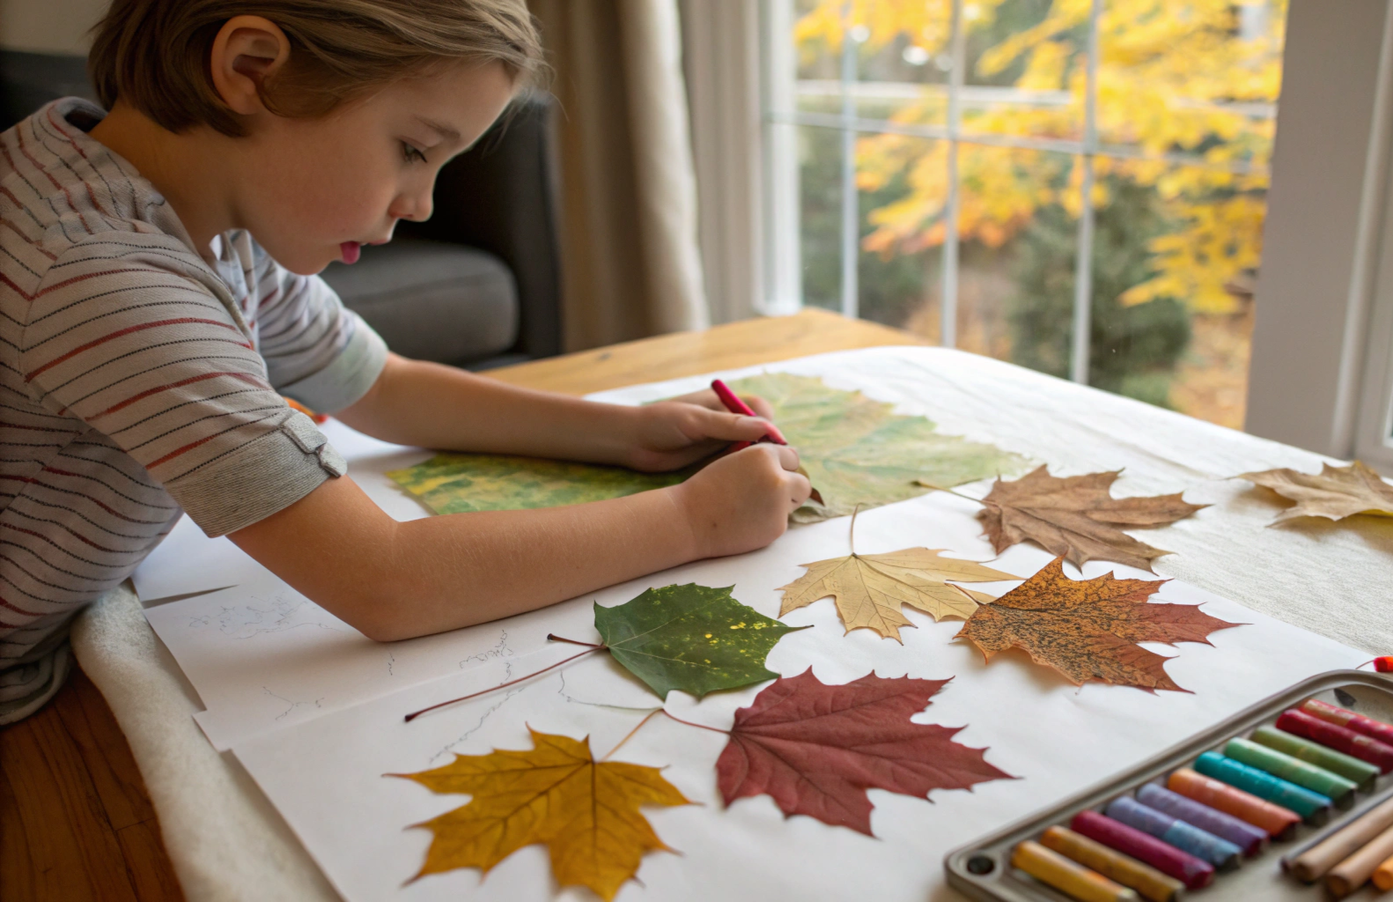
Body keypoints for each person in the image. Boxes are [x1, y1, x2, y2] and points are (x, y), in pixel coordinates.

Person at [0, 0, 809, 723]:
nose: (420, 203)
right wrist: (693, 519)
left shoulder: (195, 200)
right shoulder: (99, 277)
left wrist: (628, 433)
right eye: (414, 149)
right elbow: (385, 582)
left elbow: (380, 386)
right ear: (251, 70)